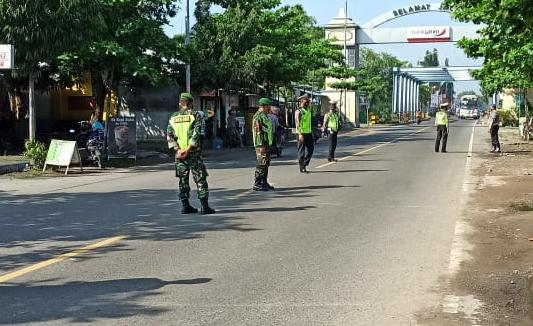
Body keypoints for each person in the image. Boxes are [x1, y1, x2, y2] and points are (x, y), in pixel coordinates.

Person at [167, 92, 215, 215]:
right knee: (200, 179)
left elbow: (169, 135)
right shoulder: (195, 116)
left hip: (179, 155)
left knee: (183, 180)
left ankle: (185, 206)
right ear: (190, 103)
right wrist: (188, 149)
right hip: (193, 153)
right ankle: (205, 207)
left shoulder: (173, 117)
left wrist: (178, 150)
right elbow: (197, 133)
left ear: (180, 103)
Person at [252, 98, 274, 191]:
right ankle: (257, 183)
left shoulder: (264, 116)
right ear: (264, 106)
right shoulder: (258, 116)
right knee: (262, 163)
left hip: (265, 143)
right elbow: (258, 132)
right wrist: (261, 145)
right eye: (268, 107)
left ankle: (264, 182)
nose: (269, 109)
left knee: (266, 163)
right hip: (261, 144)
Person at [295, 93, 314, 173]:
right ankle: (302, 167)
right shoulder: (298, 111)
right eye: (305, 101)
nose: (307, 103)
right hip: (301, 134)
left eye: (308, 101)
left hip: (308, 133)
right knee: (301, 151)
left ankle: (305, 163)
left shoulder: (308, 110)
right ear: (301, 101)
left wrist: (311, 132)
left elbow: (309, 122)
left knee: (311, 149)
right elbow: (297, 124)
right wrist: (300, 134)